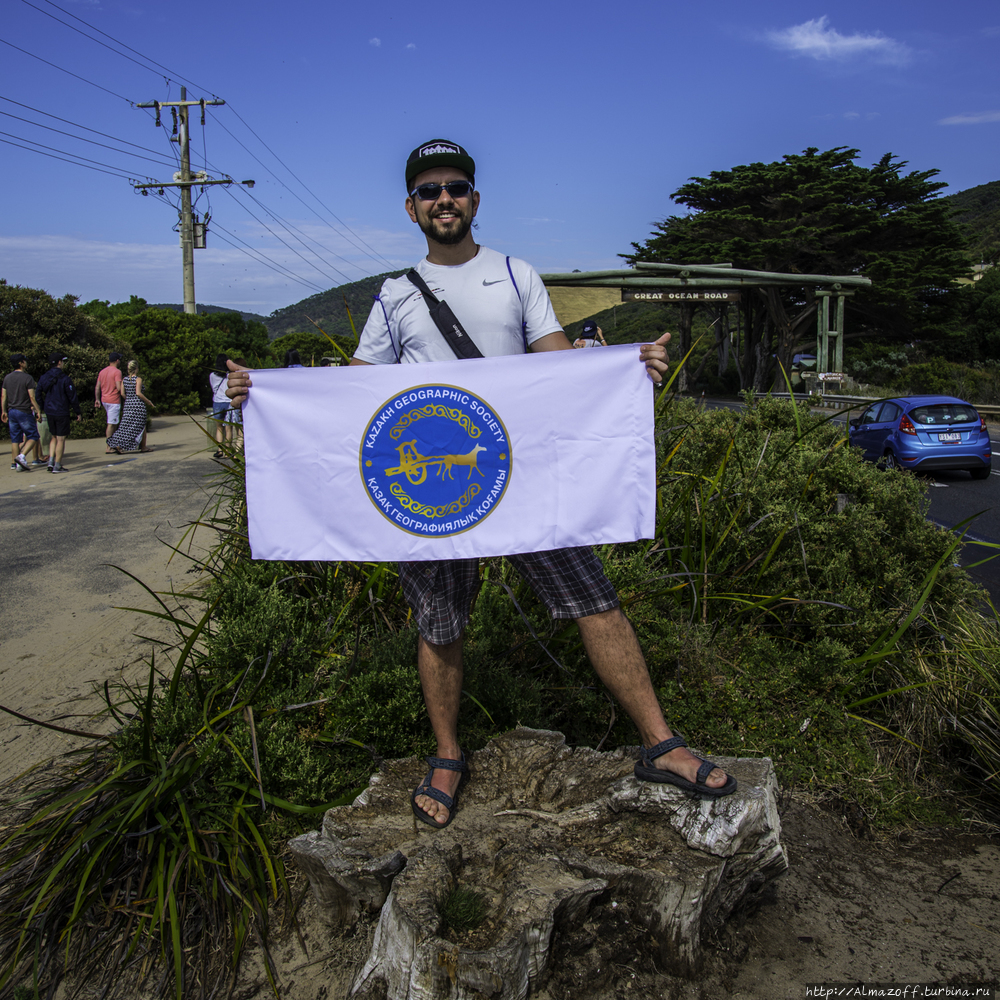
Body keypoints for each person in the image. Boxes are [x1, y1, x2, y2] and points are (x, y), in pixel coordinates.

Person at [226, 138, 736, 827]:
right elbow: (356, 387)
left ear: (474, 199)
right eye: (430, 190)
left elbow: (555, 362)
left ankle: (661, 743)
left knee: (595, 600)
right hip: (435, 489)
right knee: (440, 625)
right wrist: (262, 392)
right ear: (411, 207)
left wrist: (621, 365)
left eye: (456, 187)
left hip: (521, 474)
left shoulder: (516, 274)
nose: (445, 200)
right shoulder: (395, 294)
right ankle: (447, 754)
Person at [36, 353, 82, 473]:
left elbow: (38, 394)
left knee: (53, 436)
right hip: (61, 410)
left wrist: (41, 407)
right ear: (59, 363)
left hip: (49, 410)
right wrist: (77, 411)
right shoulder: (65, 379)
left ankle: (51, 461)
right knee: (61, 439)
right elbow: (72, 397)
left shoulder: (44, 377)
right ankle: (57, 464)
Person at [2, 353, 43, 471]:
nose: (26, 362)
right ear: (21, 363)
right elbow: (32, 398)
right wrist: (38, 410)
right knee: (33, 435)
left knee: (16, 439)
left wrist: (4, 410)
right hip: (24, 411)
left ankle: (14, 463)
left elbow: (3, 396)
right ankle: (21, 456)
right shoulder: (27, 378)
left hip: (11, 411)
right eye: (25, 361)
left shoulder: (7, 378)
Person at [107, 360, 154, 454]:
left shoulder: (124, 380)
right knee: (141, 425)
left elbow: (122, 393)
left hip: (128, 405)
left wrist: (129, 399)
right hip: (138, 405)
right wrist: (148, 401)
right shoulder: (138, 379)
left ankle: (118, 443)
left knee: (126, 425)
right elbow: (138, 393)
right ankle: (143, 446)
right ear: (136, 369)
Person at [95, 351, 124, 449]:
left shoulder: (102, 371)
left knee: (113, 422)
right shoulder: (117, 372)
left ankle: (113, 443)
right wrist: (125, 395)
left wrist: (97, 399)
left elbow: (98, 387)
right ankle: (109, 446)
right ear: (116, 360)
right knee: (111, 424)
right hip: (113, 400)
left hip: (104, 400)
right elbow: (119, 387)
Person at [209, 354, 232, 458]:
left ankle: (219, 450)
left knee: (219, 428)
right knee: (228, 428)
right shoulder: (230, 375)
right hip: (228, 401)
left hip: (217, 402)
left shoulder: (212, 375)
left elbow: (213, 388)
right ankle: (228, 451)